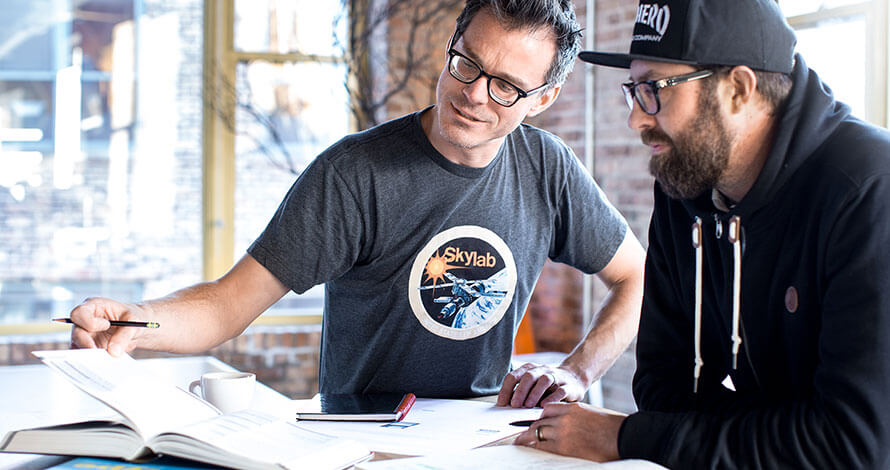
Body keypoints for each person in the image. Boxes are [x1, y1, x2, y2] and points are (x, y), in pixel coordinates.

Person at [68, 0, 645, 408]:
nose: (473, 94)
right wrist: (136, 321)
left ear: (543, 98)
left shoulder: (547, 167)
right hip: (360, 438)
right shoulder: (353, 173)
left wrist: (577, 373)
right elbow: (226, 305)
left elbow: (636, 276)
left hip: (483, 436)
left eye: (506, 86)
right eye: (467, 63)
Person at [516, 0, 890, 466]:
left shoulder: (868, 191)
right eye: (633, 90)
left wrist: (630, 437)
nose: (636, 118)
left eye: (654, 89)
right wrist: (780, 432)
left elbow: (853, 446)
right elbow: (660, 387)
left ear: (738, 89)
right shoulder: (686, 186)